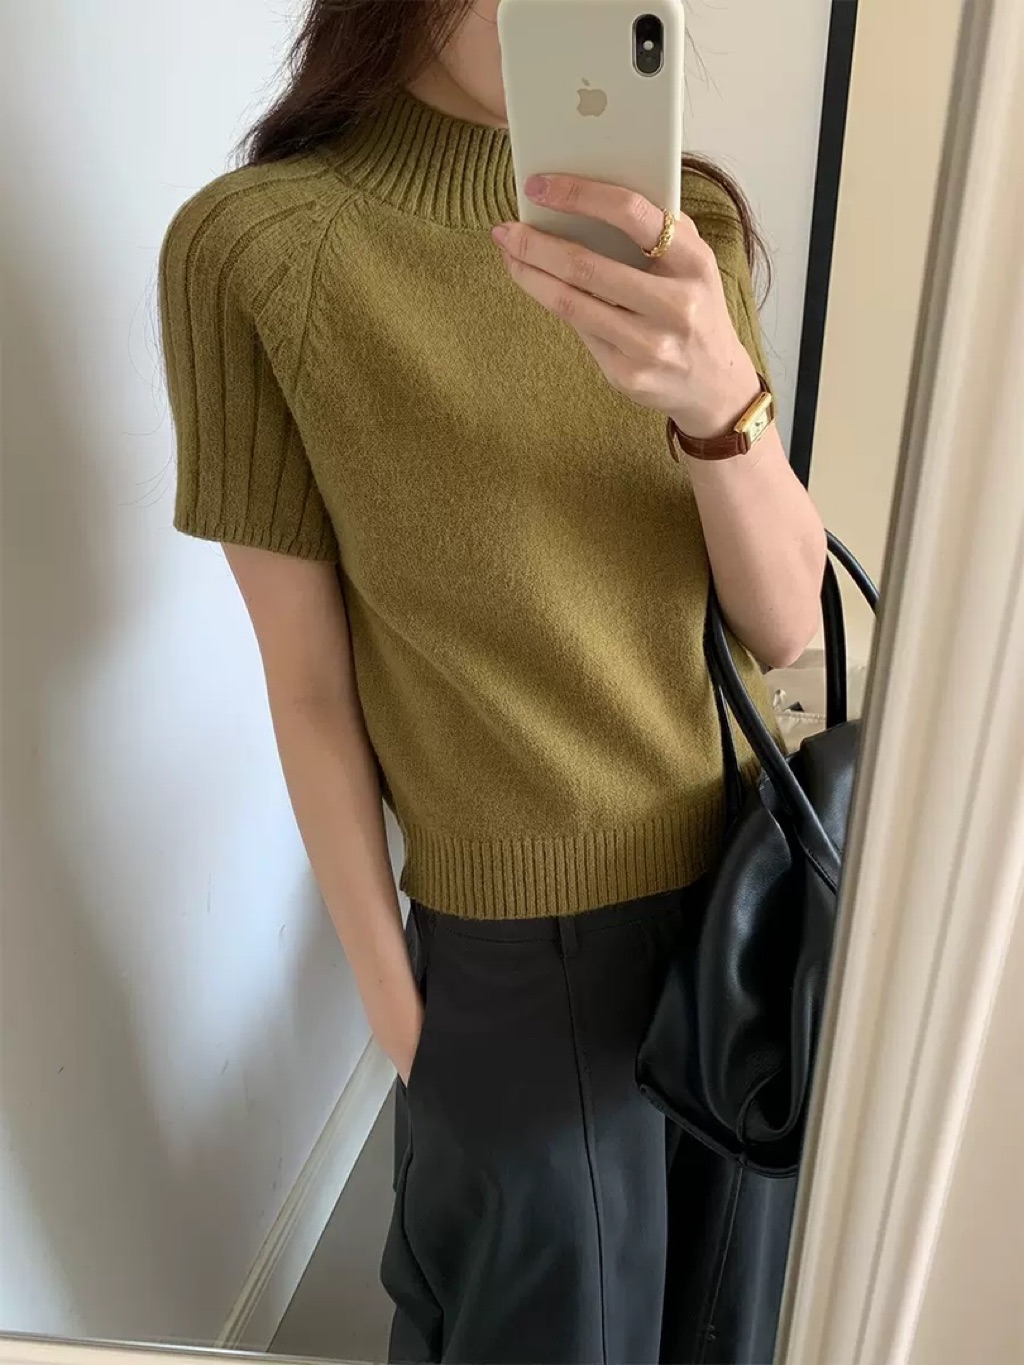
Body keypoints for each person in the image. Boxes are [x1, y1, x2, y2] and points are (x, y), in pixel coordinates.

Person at [159, 2, 826, 1361]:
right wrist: (405, 1018)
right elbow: (307, 685)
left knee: (735, 1331)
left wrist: (722, 401)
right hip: (518, 967)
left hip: (747, 905)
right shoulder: (260, 251)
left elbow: (783, 624)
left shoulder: (680, 223)